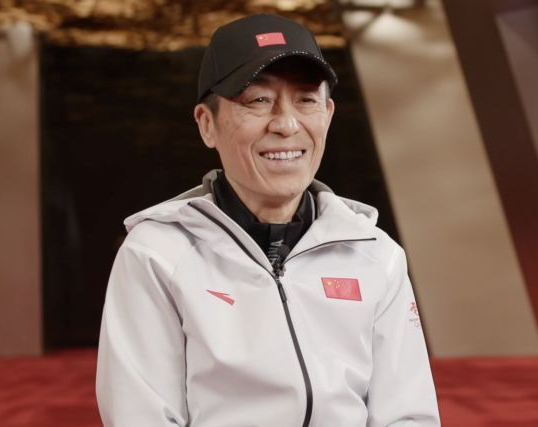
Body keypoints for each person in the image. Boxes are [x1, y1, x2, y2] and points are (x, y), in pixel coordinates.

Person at [95, 14, 440, 426]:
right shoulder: (157, 254)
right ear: (207, 124)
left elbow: (407, 415)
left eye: (306, 100)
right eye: (258, 100)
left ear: (328, 114)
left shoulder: (377, 255)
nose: (287, 124)